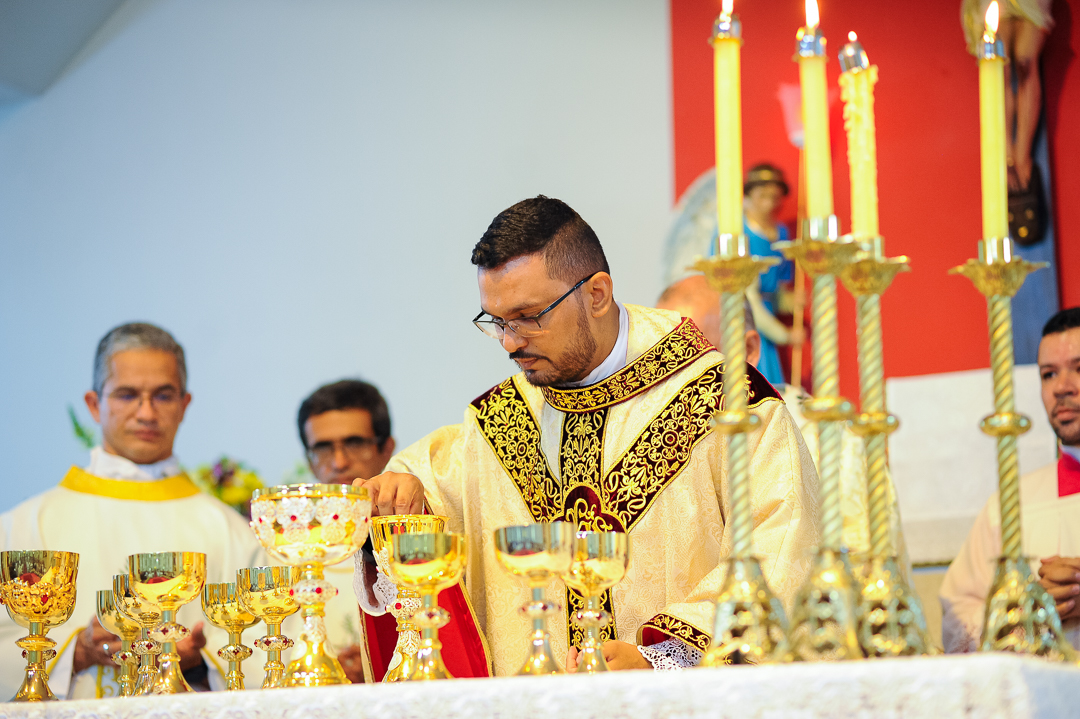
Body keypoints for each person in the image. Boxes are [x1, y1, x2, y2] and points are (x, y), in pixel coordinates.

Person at [353, 196, 821, 675]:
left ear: (597, 294)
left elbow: (781, 552)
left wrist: (661, 657)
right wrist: (400, 503)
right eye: (497, 322)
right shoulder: (499, 422)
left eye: (529, 316)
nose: (511, 342)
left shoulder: (726, 402)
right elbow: (429, 494)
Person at [0, 323, 266, 699]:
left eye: (163, 396)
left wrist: (199, 660)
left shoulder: (228, 529)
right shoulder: (25, 526)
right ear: (94, 404)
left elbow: (268, 642)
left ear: (184, 405)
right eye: (127, 395)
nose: (146, 413)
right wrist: (77, 652)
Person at [656, 276, 909, 570]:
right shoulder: (651, 446)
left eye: (687, 362)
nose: (669, 385)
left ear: (747, 351)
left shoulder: (831, 447)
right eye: (658, 364)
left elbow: (860, 577)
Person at [941, 307, 1080, 652]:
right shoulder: (1010, 506)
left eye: (1079, 368)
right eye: (1049, 374)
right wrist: (1022, 615)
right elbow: (957, 614)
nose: (1062, 388)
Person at [296, 379, 396, 683]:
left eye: (354, 444)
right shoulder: (284, 551)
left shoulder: (414, 541)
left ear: (386, 449)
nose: (339, 462)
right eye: (323, 448)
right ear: (309, 459)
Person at [739, 164, 799, 386]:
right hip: (746, 320)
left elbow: (778, 289)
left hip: (768, 318)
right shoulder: (738, 232)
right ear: (749, 195)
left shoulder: (781, 232)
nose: (769, 203)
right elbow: (749, 297)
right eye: (762, 196)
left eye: (775, 197)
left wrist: (789, 301)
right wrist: (784, 334)